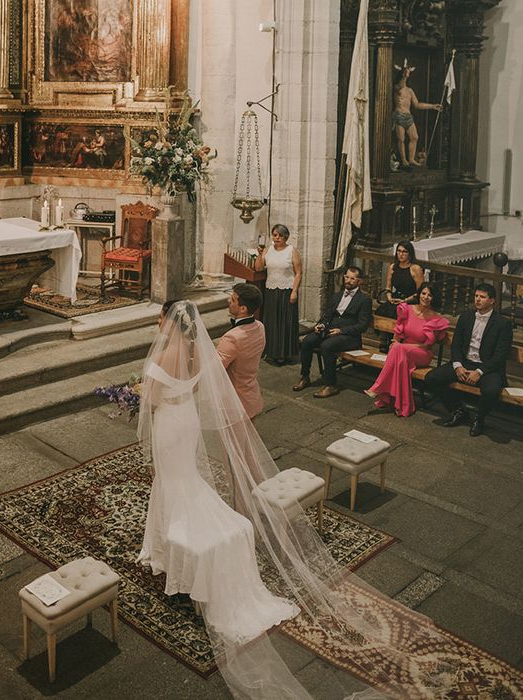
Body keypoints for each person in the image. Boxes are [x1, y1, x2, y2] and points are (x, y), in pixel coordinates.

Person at [136, 300, 456, 698]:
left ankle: (170, 549)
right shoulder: (193, 350)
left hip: (169, 423)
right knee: (185, 480)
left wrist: (140, 389)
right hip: (185, 421)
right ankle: (173, 547)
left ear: (169, 322)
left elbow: (148, 399)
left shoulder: (166, 352)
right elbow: (197, 384)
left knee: (171, 480)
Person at [424, 282, 513, 437]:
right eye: (476, 296)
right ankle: (458, 410)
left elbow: (501, 355)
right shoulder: (466, 317)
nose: (478, 300)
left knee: (491, 390)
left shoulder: (502, 324)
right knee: (431, 378)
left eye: (482, 297)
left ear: (492, 301)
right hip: (464, 362)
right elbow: (456, 345)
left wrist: (479, 371)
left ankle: (479, 419)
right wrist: (458, 366)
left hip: (487, 367)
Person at [366, 282, 448, 417]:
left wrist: (401, 347)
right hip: (403, 352)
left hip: (422, 352)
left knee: (399, 350)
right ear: (419, 294)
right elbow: (398, 333)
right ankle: (402, 405)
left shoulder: (435, 318)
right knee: (399, 354)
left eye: (430, 295)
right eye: (423, 293)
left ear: (434, 298)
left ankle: (380, 389)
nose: (426, 297)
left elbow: (427, 345)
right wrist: (395, 342)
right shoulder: (407, 310)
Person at [294, 266, 372, 398]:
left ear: (359, 281)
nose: (348, 281)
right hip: (329, 332)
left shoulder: (364, 300)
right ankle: (305, 376)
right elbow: (327, 316)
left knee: (327, 346)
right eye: (346, 277)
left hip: (349, 337)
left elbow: (362, 325)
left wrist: (341, 330)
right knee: (307, 341)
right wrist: (322, 325)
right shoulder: (337, 296)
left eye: (352, 278)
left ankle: (331, 385)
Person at [254, 224, 302, 365]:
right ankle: (271, 351)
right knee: (271, 321)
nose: (277, 238)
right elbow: (258, 268)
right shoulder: (268, 250)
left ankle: (284, 354)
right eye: (274, 235)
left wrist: (294, 291)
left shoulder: (291, 250)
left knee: (285, 322)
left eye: (280, 235)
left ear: (285, 237)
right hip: (271, 290)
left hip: (287, 290)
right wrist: (259, 254)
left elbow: (298, 273)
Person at [216, 282, 265, 419]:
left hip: (235, 402)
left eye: (232, 300)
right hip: (252, 396)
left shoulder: (232, 338)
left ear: (243, 308)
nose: (228, 301)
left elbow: (215, 370)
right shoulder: (260, 327)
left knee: (234, 440)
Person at [376, 240, 424, 352]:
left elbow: (421, 292)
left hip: (411, 299)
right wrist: (389, 297)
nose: (401, 254)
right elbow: (388, 288)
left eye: (404, 252)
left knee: (399, 312)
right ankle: (385, 340)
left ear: (409, 254)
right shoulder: (392, 267)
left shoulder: (415, 268)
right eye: (399, 251)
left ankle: (395, 342)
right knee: (383, 310)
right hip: (396, 298)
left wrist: (405, 300)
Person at [393, 60, 442, 169]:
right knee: (401, 139)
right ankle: (404, 160)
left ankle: (411, 159)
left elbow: (417, 104)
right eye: (405, 73)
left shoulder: (410, 91)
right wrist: (404, 74)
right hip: (399, 115)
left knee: (414, 137)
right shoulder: (397, 88)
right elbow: (400, 86)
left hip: (408, 117)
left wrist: (433, 106)